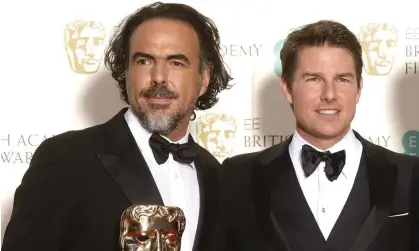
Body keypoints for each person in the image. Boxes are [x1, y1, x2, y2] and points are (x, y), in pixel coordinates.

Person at [1, 2, 232, 251]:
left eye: (176, 62)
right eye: (144, 61)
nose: (158, 77)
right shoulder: (67, 158)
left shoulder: (218, 176)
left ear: (204, 79)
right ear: (126, 71)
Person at [216, 20, 419, 251]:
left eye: (342, 79)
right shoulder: (237, 176)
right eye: (313, 79)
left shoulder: (410, 174)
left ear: (359, 88)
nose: (329, 94)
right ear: (287, 89)